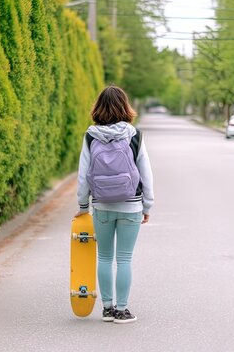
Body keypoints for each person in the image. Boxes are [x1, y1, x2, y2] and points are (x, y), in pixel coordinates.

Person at [76, 85, 154, 324]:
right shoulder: (134, 135)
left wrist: (82, 206)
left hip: (102, 206)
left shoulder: (91, 136)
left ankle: (107, 308)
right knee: (124, 259)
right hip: (131, 205)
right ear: (125, 107)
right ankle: (122, 310)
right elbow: (145, 173)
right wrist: (147, 205)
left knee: (104, 258)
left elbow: (83, 175)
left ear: (98, 107)